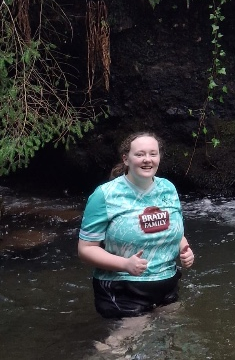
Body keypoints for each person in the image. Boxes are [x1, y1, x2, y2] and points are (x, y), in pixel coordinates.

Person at [78, 132, 194, 318]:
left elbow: (175, 230)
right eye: (140, 154)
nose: (147, 159)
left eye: (153, 154)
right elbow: (86, 249)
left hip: (167, 283)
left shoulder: (168, 188)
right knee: (131, 334)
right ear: (126, 159)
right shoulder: (105, 195)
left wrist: (185, 249)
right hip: (122, 287)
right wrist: (125, 264)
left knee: (172, 332)